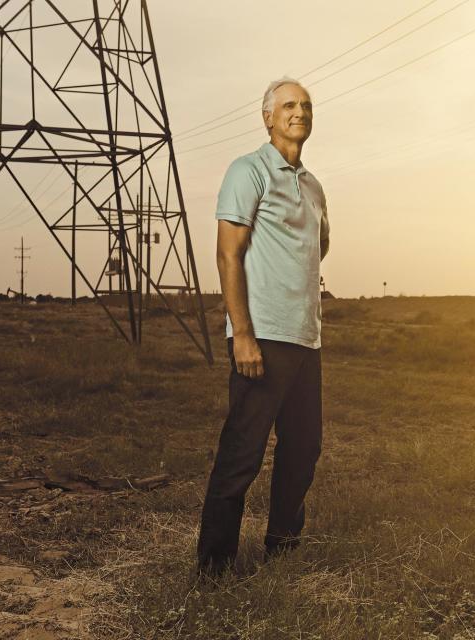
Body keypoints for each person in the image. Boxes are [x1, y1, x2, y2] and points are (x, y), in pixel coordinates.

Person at [197, 77, 329, 574]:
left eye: (307, 105)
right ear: (268, 117)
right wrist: (243, 333)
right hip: (262, 337)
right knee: (242, 453)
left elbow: (318, 246)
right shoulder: (247, 171)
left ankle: (282, 547)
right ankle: (213, 566)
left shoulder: (313, 186)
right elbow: (227, 254)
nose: (300, 112)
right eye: (289, 105)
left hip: (305, 338)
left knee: (303, 448)